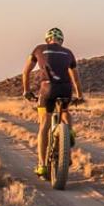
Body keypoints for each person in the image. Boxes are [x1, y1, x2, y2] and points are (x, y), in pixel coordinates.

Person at [21, 27, 84, 177]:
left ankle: (42, 165)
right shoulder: (68, 52)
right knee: (65, 111)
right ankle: (68, 134)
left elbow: (26, 72)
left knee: (44, 123)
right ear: (61, 41)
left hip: (47, 89)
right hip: (65, 89)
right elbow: (75, 78)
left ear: (47, 39)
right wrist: (80, 95)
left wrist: (26, 91)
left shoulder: (39, 49)